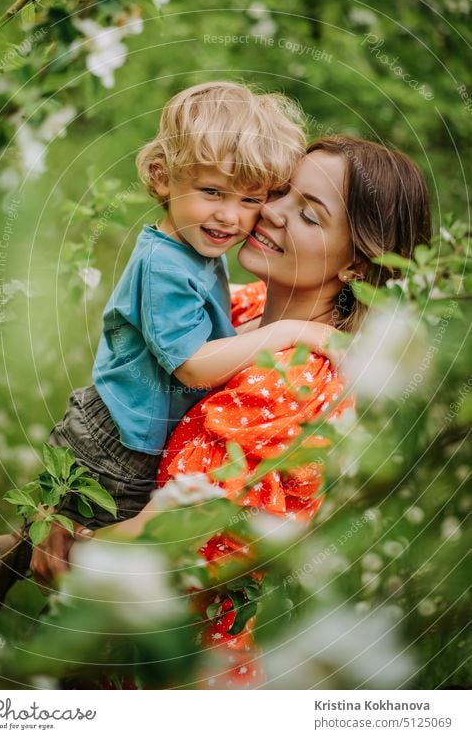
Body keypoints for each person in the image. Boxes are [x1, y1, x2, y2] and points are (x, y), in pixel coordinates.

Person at [70, 135, 432, 688]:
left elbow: (165, 545)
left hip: (165, 665)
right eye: (282, 190)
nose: (272, 213)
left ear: (359, 264)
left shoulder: (295, 383)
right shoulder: (245, 304)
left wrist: (57, 539)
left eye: (309, 215)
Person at [0, 81, 334, 617]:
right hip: (123, 447)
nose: (231, 217)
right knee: (98, 583)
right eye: (212, 192)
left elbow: (213, 312)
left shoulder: (192, 248)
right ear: (164, 178)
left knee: (59, 542)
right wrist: (290, 333)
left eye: (250, 199)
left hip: (113, 425)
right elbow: (192, 368)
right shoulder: (166, 266)